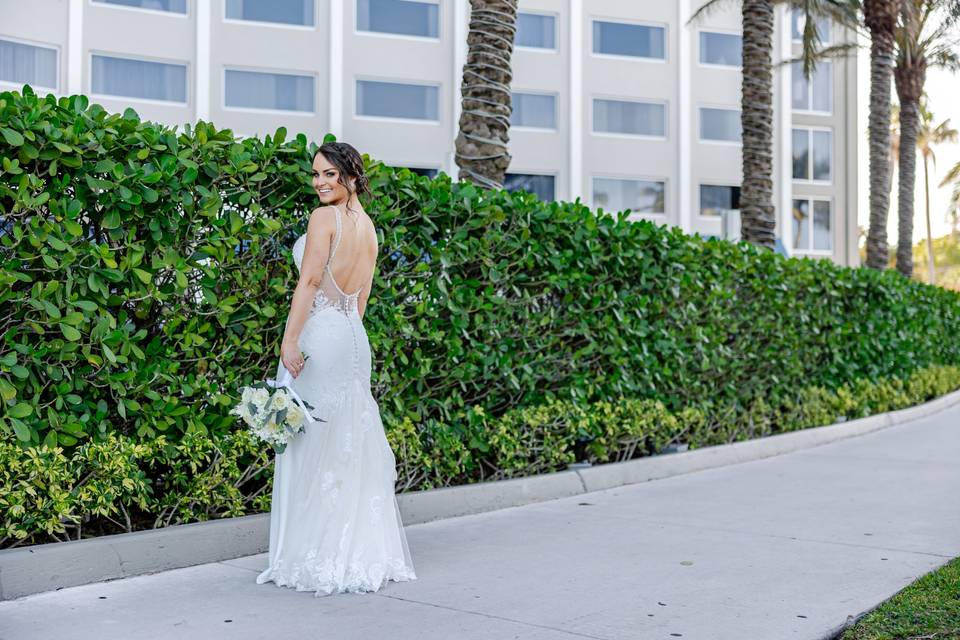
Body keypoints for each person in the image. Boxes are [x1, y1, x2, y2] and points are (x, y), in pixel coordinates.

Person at [256, 141, 418, 596]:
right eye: (315, 175)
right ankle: (355, 549)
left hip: (322, 334)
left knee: (310, 441)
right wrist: (347, 335)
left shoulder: (323, 219)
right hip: (352, 337)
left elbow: (309, 281)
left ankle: (311, 551)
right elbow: (361, 297)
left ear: (350, 175)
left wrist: (291, 340)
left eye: (329, 174)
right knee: (348, 438)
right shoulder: (369, 228)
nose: (320, 183)